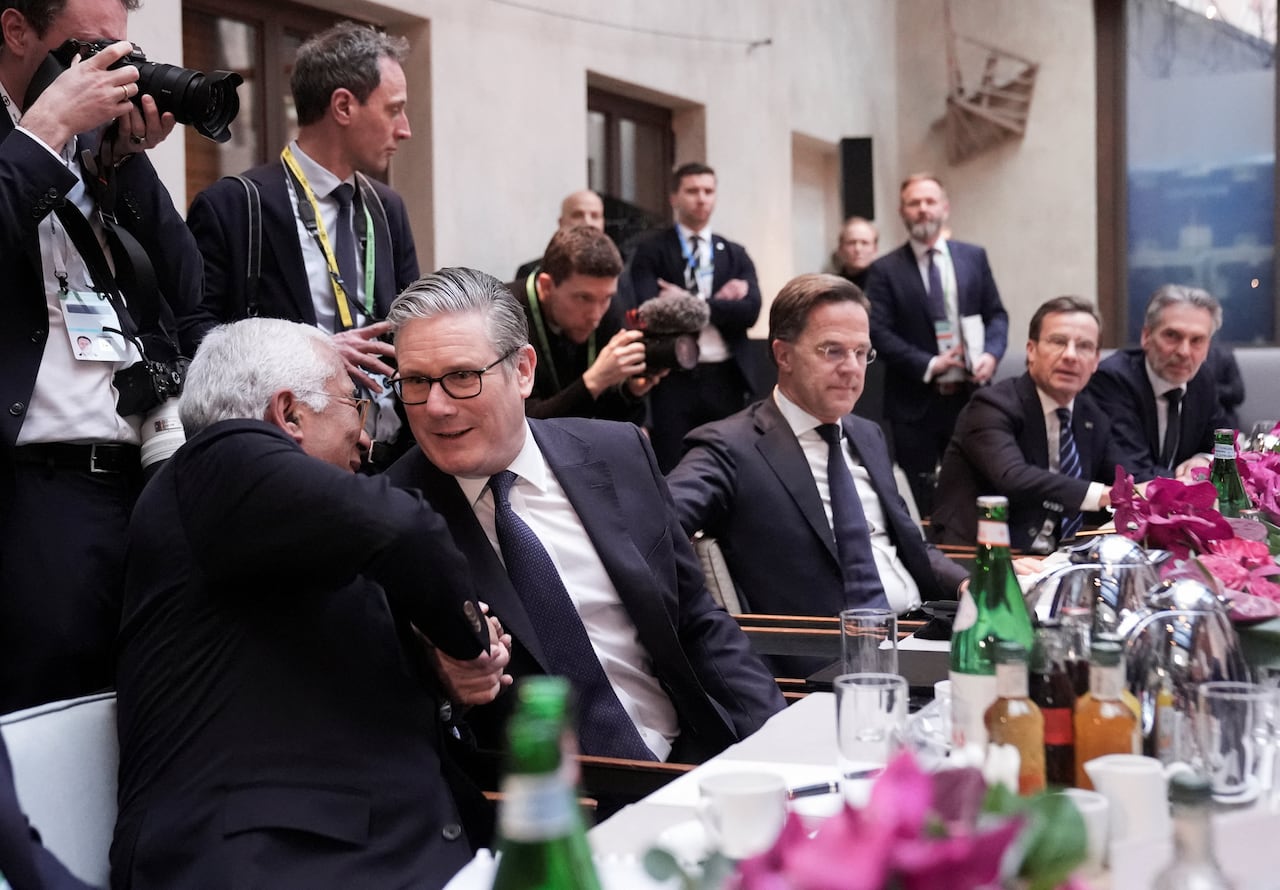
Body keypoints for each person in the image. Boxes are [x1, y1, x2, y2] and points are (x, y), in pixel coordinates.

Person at [111, 318, 509, 889]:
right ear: (288, 414)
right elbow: (408, 531)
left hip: (386, 850)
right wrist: (468, 641)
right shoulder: (220, 459)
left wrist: (438, 675)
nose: (368, 437)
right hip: (272, 862)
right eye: (355, 405)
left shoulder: (279, 523)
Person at [384, 267, 784, 768]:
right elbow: (391, 716)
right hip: (546, 802)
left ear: (523, 370)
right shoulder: (389, 519)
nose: (436, 406)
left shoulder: (617, 454)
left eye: (463, 377)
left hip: (694, 757)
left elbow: (696, 622)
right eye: (416, 381)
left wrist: (777, 742)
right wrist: (450, 686)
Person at [0, 0, 203, 713]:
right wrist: (45, 129)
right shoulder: (33, 138)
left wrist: (125, 165)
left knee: (149, 701)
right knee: (50, 712)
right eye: (89, 48)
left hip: (142, 476)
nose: (111, 69)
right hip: (37, 491)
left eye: (121, 49)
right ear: (16, 30)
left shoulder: (100, 148)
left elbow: (185, 288)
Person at [666, 274, 967, 674]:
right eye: (832, 351)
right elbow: (655, 525)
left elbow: (910, 543)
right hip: (828, 662)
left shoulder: (866, 433)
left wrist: (968, 583)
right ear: (783, 355)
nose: (852, 368)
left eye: (862, 353)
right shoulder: (731, 446)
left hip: (921, 634)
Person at [185, 21, 418, 466]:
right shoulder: (235, 204)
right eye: (394, 110)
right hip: (289, 460)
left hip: (389, 455)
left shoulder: (389, 208)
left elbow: (408, 327)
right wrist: (317, 350)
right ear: (344, 106)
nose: (405, 130)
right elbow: (196, 338)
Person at [931, 296, 1129, 552]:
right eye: (1058, 342)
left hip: (1058, 557)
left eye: (1084, 346)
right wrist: (1103, 495)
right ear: (1031, 350)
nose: (1070, 355)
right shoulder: (991, 405)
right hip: (982, 557)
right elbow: (1012, 476)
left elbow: (1123, 476)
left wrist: (1163, 488)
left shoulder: (1091, 415)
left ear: (1095, 362)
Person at [863, 173, 1008, 516]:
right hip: (914, 403)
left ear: (945, 207)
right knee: (920, 496)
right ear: (902, 211)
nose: (923, 210)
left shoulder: (974, 257)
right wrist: (929, 364)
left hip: (970, 396)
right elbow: (877, 331)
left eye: (930, 202)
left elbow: (997, 315)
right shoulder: (884, 269)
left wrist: (991, 354)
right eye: (914, 203)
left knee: (975, 488)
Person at [629, 162, 763, 472]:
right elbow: (651, 312)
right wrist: (719, 305)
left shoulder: (734, 253)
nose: (701, 198)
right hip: (673, 377)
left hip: (726, 376)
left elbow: (750, 311)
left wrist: (689, 302)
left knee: (729, 466)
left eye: (708, 191)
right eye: (692, 191)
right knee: (673, 469)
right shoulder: (651, 250)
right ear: (674, 198)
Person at [510, 225, 662, 423]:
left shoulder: (608, 306)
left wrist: (630, 391)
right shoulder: (504, 314)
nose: (596, 315)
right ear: (547, 287)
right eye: (583, 298)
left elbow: (610, 419)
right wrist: (594, 381)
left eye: (606, 298)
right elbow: (525, 423)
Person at [1086, 284, 1231, 481]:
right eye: (1172, 336)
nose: (1184, 352)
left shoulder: (1201, 378)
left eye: (1197, 340)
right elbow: (1133, 474)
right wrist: (1197, 482)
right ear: (1146, 337)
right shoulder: (1112, 380)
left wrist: (1204, 460)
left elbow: (1224, 440)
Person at [512, 188, 605, 281]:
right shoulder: (531, 273)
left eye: (595, 215)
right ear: (561, 222)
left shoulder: (617, 274)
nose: (587, 222)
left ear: (603, 223)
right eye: (577, 215)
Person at [831, 216, 879, 289]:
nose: (858, 249)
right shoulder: (832, 286)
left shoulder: (885, 285)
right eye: (851, 243)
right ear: (840, 248)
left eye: (864, 243)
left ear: (875, 249)